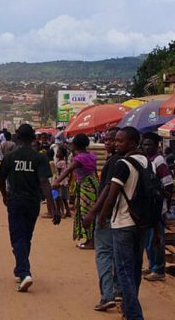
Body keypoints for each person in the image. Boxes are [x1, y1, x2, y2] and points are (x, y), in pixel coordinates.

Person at [0, 124, 61, 293]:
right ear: (33, 137)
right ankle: (20, 269)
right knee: (26, 237)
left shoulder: (10, 157)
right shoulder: (39, 158)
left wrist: (5, 196)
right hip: (32, 203)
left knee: (17, 238)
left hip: (15, 202)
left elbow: (1, 180)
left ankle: (25, 273)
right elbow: (45, 184)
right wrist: (53, 208)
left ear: (17, 137)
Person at [98, 127, 146, 320]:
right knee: (135, 269)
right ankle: (128, 308)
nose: (116, 144)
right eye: (115, 140)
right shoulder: (146, 162)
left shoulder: (123, 164)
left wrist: (102, 216)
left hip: (123, 222)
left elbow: (112, 193)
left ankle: (134, 314)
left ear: (133, 143)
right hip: (141, 223)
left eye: (120, 141)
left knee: (124, 270)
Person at [82, 127, 122, 311]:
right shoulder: (128, 160)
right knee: (118, 254)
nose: (108, 143)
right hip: (123, 217)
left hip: (109, 215)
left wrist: (96, 213)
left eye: (113, 140)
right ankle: (119, 290)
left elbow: (107, 189)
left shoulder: (115, 161)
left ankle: (107, 295)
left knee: (104, 254)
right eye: (106, 140)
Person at [52, 133, 98, 249]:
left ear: (75, 145)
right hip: (93, 185)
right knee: (90, 211)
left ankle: (90, 241)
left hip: (85, 187)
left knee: (85, 212)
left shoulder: (79, 158)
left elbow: (68, 170)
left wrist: (57, 182)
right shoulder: (91, 156)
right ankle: (90, 239)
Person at [140, 132, 173, 282]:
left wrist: (166, 204)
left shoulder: (159, 161)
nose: (146, 147)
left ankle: (159, 269)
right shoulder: (148, 160)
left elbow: (168, 183)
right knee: (149, 239)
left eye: (149, 145)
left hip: (158, 207)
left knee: (156, 238)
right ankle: (152, 265)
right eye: (144, 144)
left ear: (157, 145)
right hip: (148, 207)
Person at [53, 146, 71, 219]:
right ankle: (68, 212)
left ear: (62, 154)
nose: (57, 153)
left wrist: (56, 181)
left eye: (58, 152)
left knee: (58, 197)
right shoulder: (65, 162)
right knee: (64, 198)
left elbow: (59, 174)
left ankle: (61, 212)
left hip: (60, 182)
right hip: (64, 182)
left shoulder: (60, 163)